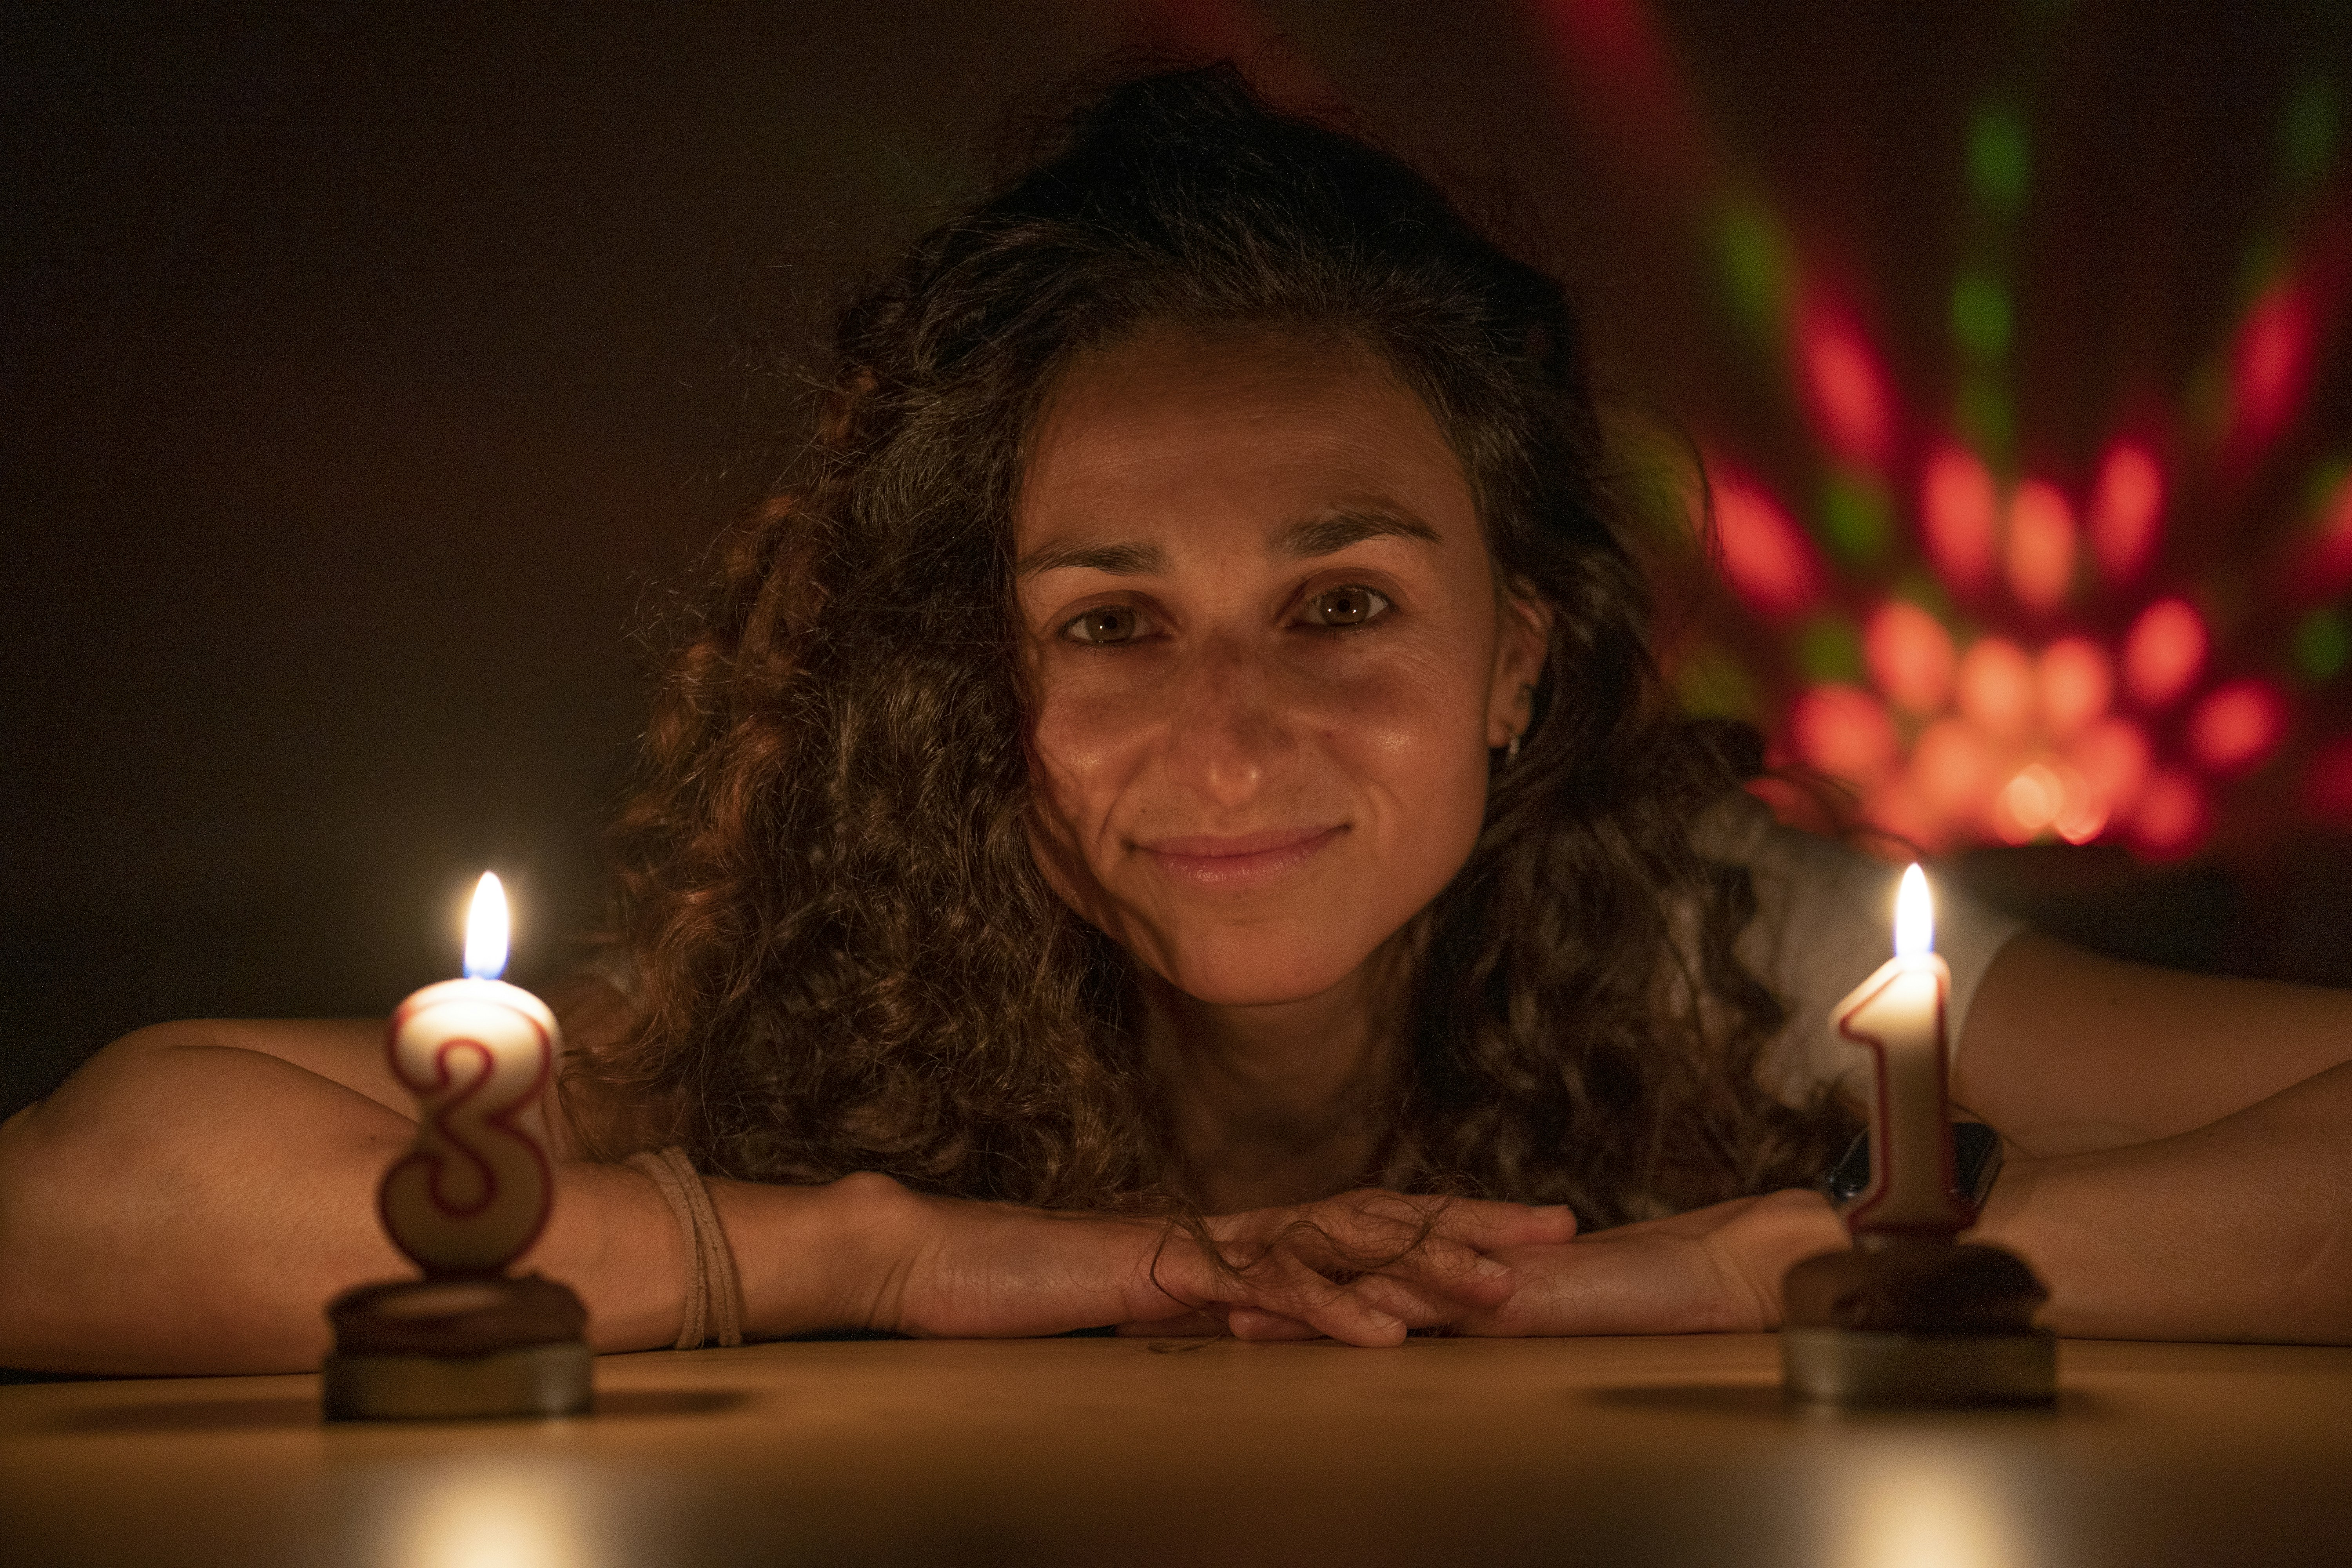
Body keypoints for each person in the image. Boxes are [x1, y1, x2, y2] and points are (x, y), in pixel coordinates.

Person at [3, 67, 2347, 1376]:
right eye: (1111, 625)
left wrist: (1760, 1265)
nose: (1227, 735)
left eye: (1339, 599)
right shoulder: (857, 984)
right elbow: (89, 1203)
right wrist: (875, 1254)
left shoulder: (1743, 945)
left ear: (1522, 652)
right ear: (980, 688)